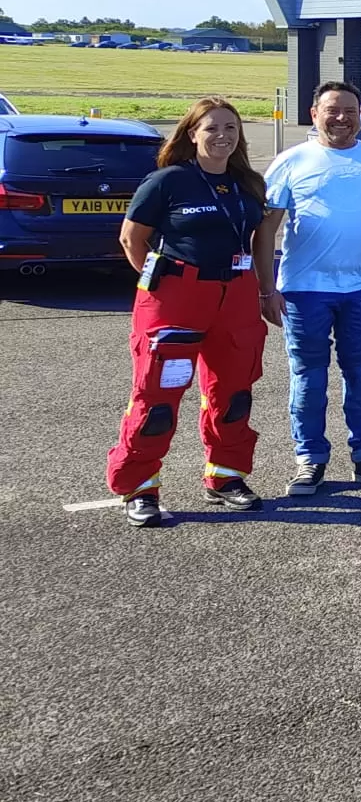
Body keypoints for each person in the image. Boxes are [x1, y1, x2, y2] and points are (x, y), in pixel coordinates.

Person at [256, 80, 361, 497]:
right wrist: (264, 289)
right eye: (332, 110)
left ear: (360, 115)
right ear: (314, 114)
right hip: (303, 291)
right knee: (309, 379)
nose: (342, 118)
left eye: (350, 110)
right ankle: (309, 458)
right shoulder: (291, 161)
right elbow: (265, 231)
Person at [106, 97, 270, 527]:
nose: (222, 136)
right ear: (192, 133)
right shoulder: (167, 182)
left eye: (230, 128)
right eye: (212, 128)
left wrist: (263, 292)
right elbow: (131, 240)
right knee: (157, 398)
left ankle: (226, 477)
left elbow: (256, 239)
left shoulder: (247, 183)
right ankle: (139, 487)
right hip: (175, 296)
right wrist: (165, 283)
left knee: (234, 394)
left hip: (235, 294)